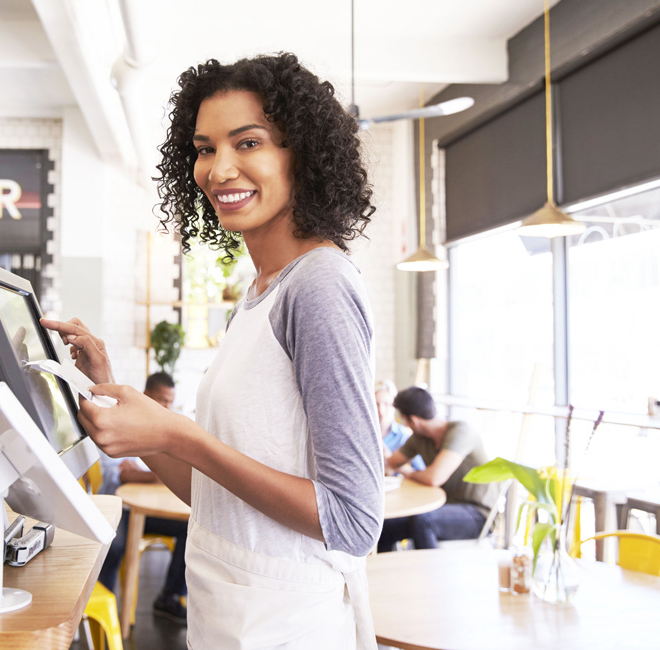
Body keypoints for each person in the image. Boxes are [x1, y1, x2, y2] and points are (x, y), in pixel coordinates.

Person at [42, 52, 384, 650]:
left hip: (289, 626)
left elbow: (351, 522)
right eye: (204, 148)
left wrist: (178, 434)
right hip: (227, 611)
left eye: (247, 143)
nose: (220, 168)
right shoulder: (257, 296)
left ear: (300, 152)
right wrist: (117, 398)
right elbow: (220, 498)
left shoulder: (319, 286)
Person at [97, 372, 188, 623]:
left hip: (147, 508)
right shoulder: (121, 421)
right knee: (114, 545)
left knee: (191, 527)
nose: (166, 407)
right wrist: (156, 473)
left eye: (170, 402)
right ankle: (102, 611)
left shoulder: (166, 428)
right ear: (146, 395)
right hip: (119, 508)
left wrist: (145, 474)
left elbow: (141, 472)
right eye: (162, 400)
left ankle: (169, 597)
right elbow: (121, 475)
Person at [377, 386, 498, 552]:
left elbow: (434, 478)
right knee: (385, 527)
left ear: (412, 421)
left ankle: (431, 575)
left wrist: (407, 472)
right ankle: (387, 575)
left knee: (424, 521)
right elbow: (391, 463)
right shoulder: (419, 438)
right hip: (443, 507)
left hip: (478, 514)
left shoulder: (461, 432)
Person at [374, 380, 424, 472]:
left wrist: (393, 463)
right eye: (376, 404)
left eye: (386, 404)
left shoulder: (405, 436)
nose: (381, 411)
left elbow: (420, 470)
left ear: (394, 407)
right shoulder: (359, 437)